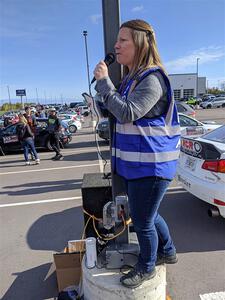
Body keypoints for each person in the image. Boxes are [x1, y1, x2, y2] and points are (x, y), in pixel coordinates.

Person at [94, 19, 180, 288]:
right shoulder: (132, 79)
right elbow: (117, 111)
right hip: (137, 166)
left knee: (142, 221)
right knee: (150, 215)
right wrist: (103, 95)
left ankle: (147, 266)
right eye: (116, 41)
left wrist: (105, 82)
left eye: (123, 41)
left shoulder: (152, 78)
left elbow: (128, 112)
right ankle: (168, 251)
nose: (116, 46)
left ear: (141, 43)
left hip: (151, 167)